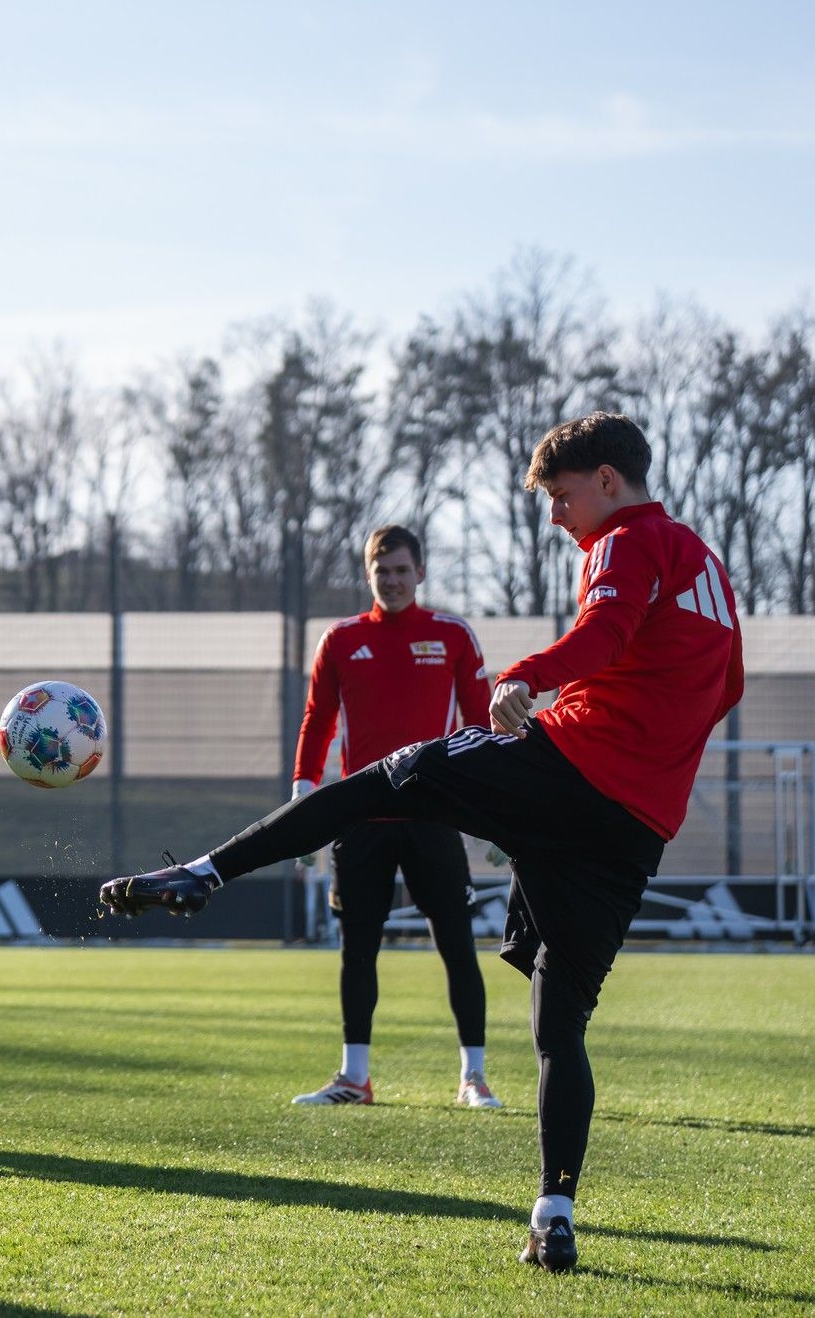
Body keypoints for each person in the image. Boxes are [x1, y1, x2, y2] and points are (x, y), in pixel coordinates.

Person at [101, 412, 742, 1274]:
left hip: (570, 769)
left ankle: (206, 871)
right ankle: (554, 1212)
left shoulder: (626, 541)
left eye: (560, 496)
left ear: (605, 480)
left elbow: (605, 634)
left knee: (391, 774)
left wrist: (529, 676)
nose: (556, 517)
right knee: (560, 1023)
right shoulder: (711, 570)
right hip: (634, 828)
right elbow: (724, 688)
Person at [287, 524, 498, 1111]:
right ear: (368, 574)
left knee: (457, 945)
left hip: (433, 814)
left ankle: (474, 1077)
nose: (394, 580)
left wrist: (496, 803)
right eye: (383, 571)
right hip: (361, 820)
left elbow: (481, 721)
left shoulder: (453, 635)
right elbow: (317, 719)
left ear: (420, 572)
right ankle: (354, 1078)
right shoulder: (341, 638)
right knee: (357, 950)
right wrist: (303, 798)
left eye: (403, 570)